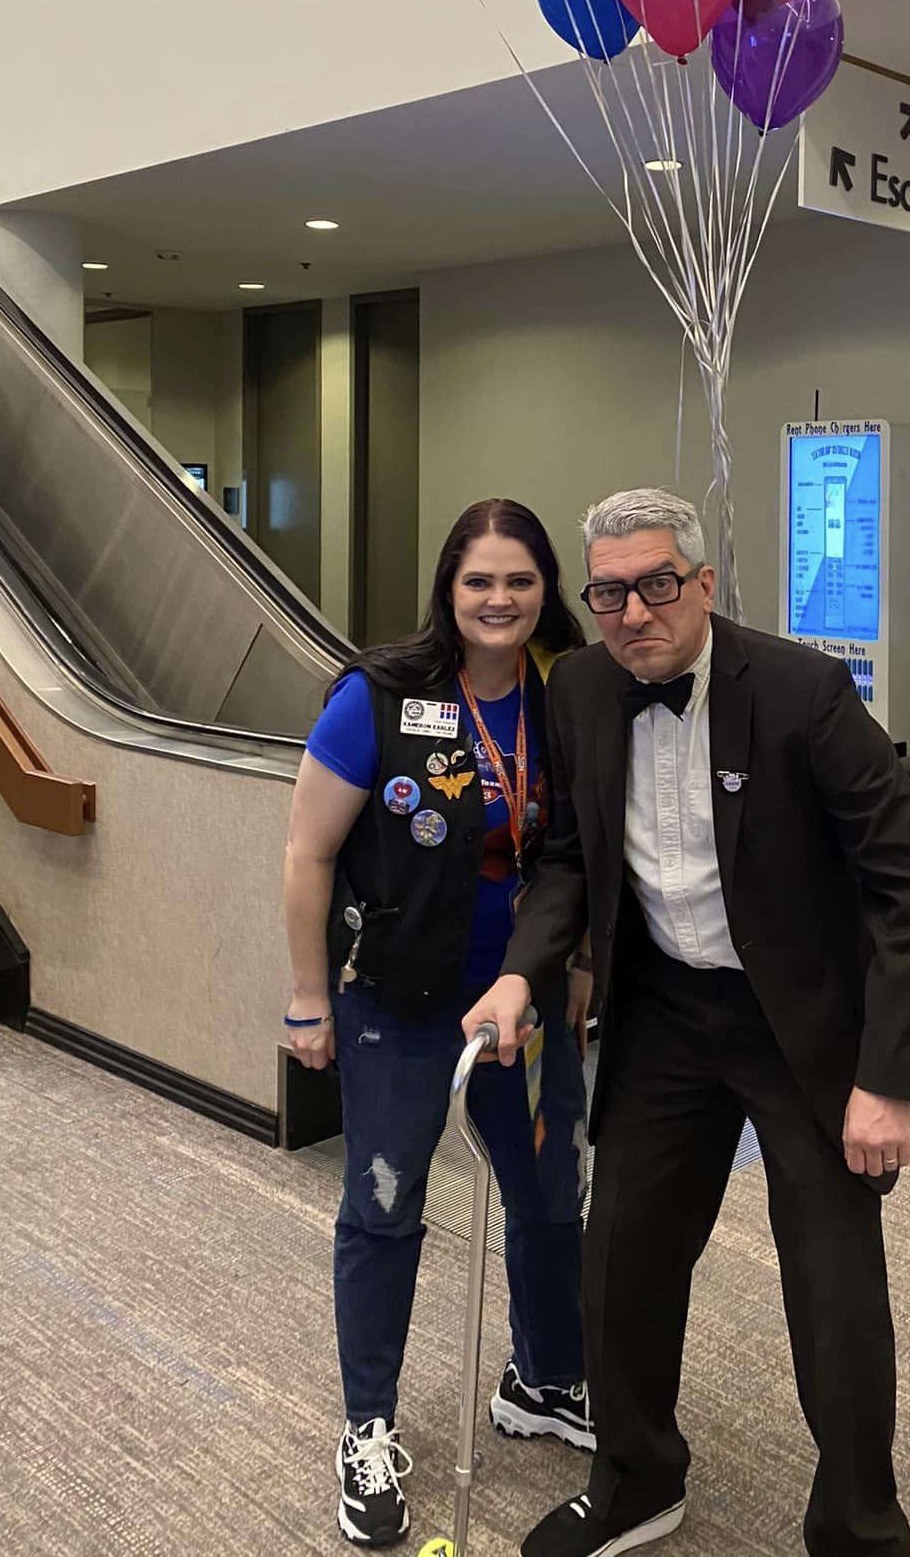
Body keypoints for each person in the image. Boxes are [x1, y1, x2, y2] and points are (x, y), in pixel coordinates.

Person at [463, 488, 910, 1557]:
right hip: (666, 1012)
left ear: (702, 583)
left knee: (831, 1279)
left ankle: (860, 1528)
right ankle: (636, 1478)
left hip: (798, 1019)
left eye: (656, 584)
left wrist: (888, 1077)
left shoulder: (801, 690)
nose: (633, 610)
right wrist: (520, 974)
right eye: (609, 592)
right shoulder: (580, 688)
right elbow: (568, 859)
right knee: (621, 1255)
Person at [283, 499, 594, 1549]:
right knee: (384, 1209)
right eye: (479, 581)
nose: (499, 599)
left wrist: (578, 964)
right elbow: (307, 852)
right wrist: (308, 996)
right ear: (448, 590)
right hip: (399, 1006)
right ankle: (367, 1426)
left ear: (546, 589)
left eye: (520, 580)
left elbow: (582, 855)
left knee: (551, 1196)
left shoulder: (565, 699)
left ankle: (544, 1377)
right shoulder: (379, 696)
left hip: (527, 1007)